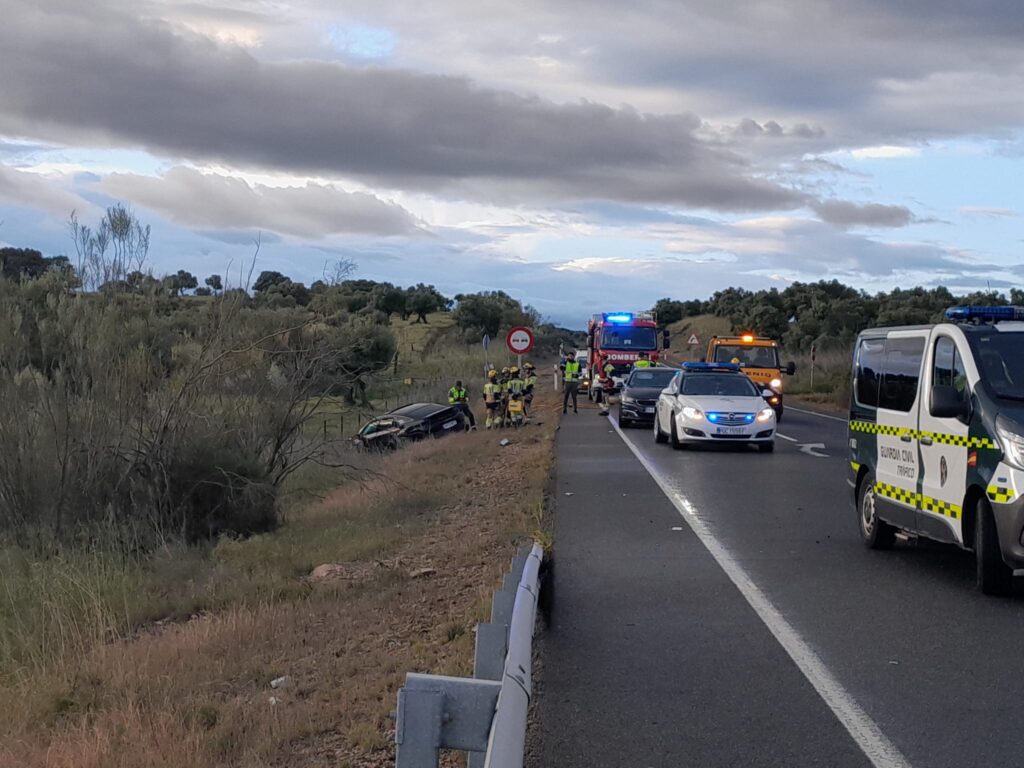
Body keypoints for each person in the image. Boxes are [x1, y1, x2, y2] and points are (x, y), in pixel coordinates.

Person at [561, 348, 582, 413]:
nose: (570, 357)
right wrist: (564, 361)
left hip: (574, 383)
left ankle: (575, 409)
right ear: (568, 356)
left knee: (574, 397)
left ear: (574, 357)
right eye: (569, 356)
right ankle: (564, 409)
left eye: (572, 356)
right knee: (566, 396)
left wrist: (577, 375)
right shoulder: (565, 363)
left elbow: (580, 373)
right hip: (567, 382)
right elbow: (561, 368)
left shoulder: (577, 364)